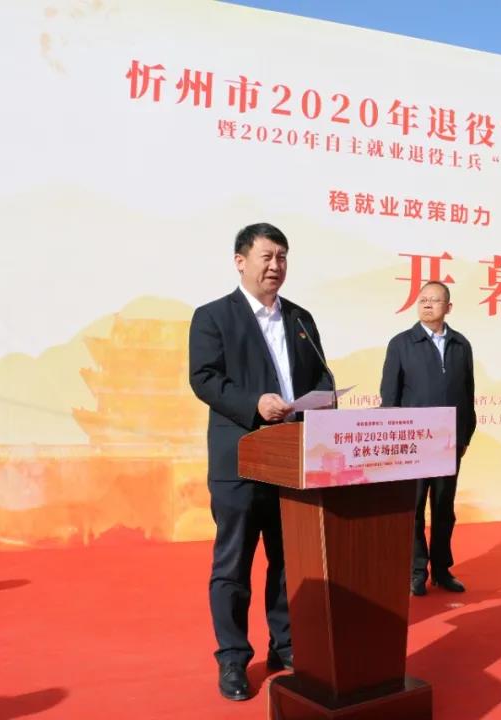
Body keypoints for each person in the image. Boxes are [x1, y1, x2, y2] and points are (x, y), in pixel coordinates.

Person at [188, 222, 332, 701]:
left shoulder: (300, 319)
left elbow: (322, 375)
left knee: (288, 560)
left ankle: (284, 644)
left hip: (292, 459)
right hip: (241, 460)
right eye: (267, 257)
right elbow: (204, 378)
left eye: (282, 258)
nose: (276, 266)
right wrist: (255, 403)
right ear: (240, 261)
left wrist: (323, 400)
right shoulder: (213, 317)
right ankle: (232, 657)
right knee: (233, 563)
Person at [380, 281, 477, 596]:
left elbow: (468, 393)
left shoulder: (461, 345)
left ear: (448, 307)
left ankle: (442, 570)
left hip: (449, 442)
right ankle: (416, 572)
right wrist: (394, 439)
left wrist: (465, 434)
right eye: (422, 299)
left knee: (444, 508)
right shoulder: (402, 344)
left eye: (434, 300)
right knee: (413, 508)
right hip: (413, 444)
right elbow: (390, 397)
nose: (427, 304)